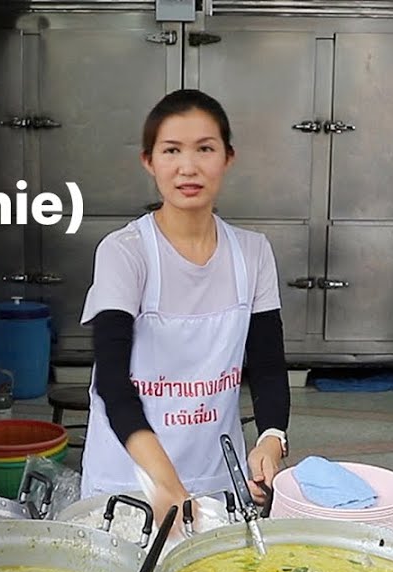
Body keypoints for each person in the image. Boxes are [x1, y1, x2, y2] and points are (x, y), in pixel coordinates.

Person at [79, 89, 291, 533]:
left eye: (205, 149)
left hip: (216, 480)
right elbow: (113, 385)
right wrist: (165, 482)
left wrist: (271, 439)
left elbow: (268, 368)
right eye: (171, 150)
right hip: (129, 482)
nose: (188, 167)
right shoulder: (125, 252)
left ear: (228, 157)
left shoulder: (252, 254)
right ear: (148, 160)